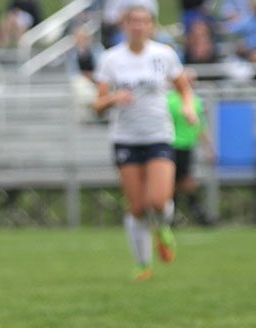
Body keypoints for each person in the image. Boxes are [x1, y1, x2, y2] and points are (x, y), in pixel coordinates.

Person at [93, 5, 197, 281]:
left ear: (152, 26)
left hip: (158, 135)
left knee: (159, 201)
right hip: (126, 138)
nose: (138, 26)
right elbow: (98, 105)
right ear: (125, 25)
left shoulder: (164, 55)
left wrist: (189, 108)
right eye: (133, 21)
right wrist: (114, 99)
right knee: (137, 207)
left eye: (144, 21)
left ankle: (162, 228)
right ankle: (143, 264)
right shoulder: (111, 59)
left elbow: (184, 87)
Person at [167, 69, 214, 226]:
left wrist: (209, 147)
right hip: (171, 145)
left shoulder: (195, 101)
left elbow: (201, 127)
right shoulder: (169, 100)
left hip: (186, 146)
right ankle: (189, 212)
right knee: (176, 181)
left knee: (184, 180)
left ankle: (185, 212)